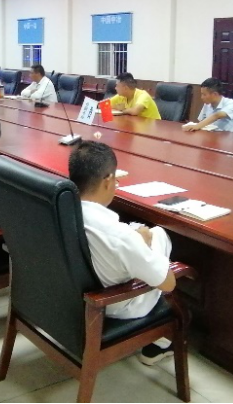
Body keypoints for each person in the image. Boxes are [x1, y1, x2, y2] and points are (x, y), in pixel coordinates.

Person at [69, 141, 176, 366]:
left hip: (71, 298)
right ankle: (161, 340)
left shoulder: (63, 210)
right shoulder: (120, 236)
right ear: (108, 180)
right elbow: (168, 284)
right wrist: (145, 245)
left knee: (139, 241)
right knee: (158, 235)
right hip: (114, 307)